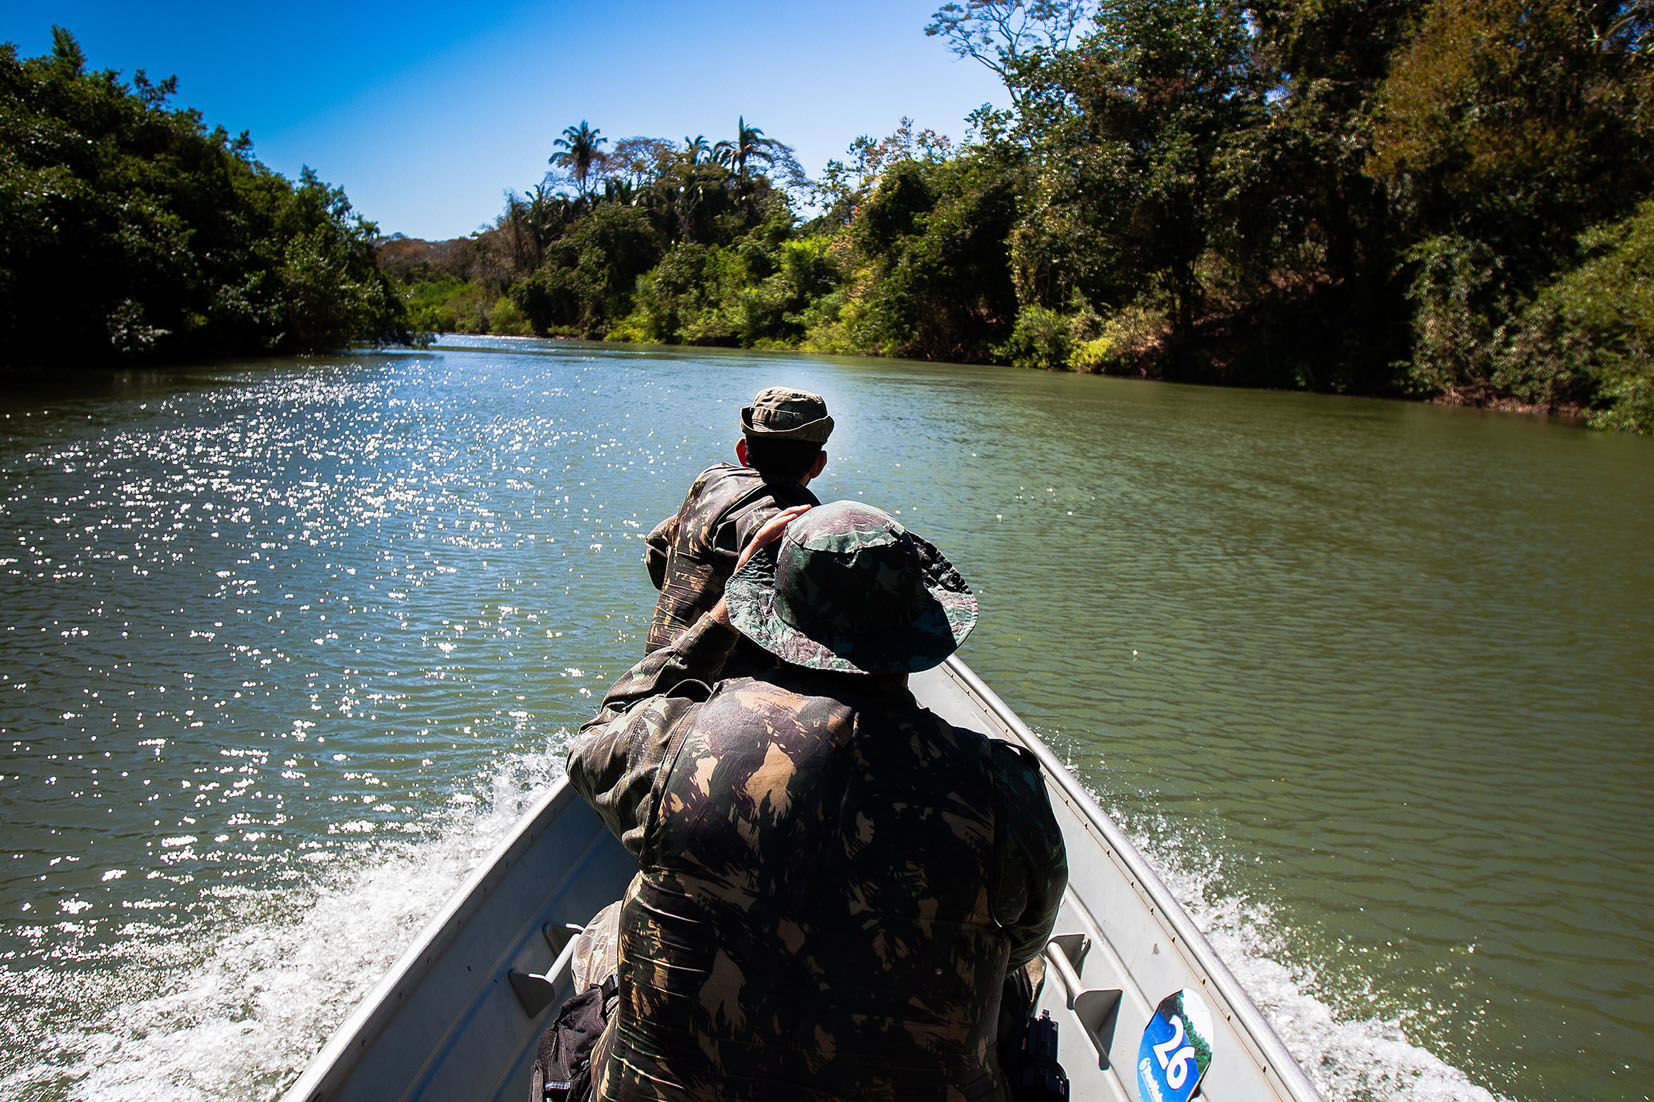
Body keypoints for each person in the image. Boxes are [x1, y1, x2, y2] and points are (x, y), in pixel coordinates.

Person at [567, 500, 1068, 1101]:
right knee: (1021, 976)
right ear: (917, 628)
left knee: (608, 928)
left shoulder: (678, 743)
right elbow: (1026, 941)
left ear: (772, 619)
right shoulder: (1003, 790)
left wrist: (716, 619)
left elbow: (593, 744)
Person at [643, 386, 832, 678]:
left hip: (653, 670)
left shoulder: (712, 480)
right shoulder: (791, 526)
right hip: (721, 695)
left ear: (743, 452)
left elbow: (657, 547)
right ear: (819, 464)